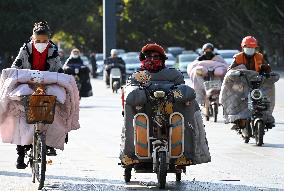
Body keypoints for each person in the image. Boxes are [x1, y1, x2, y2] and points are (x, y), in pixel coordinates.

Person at [120, 43, 211, 166]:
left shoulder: (174, 74)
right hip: (144, 112)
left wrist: (175, 95)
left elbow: (185, 90)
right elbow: (130, 94)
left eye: (156, 56)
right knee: (131, 110)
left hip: (170, 111)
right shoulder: (137, 76)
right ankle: (130, 155)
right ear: (143, 59)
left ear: (162, 59)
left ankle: (186, 155)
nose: (152, 59)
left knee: (189, 105)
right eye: (148, 56)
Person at [11, 21, 63, 169]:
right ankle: (20, 154)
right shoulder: (25, 49)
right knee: (21, 118)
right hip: (27, 85)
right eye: (38, 41)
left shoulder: (53, 50)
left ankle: (50, 143)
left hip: (47, 85)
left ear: (49, 40)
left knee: (56, 109)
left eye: (44, 41)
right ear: (33, 38)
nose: (41, 43)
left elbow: (59, 70)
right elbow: (16, 66)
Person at [222, 36, 275, 130]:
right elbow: (230, 70)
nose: (250, 50)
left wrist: (266, 69)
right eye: (248, 48)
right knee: (236, 98)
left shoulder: (260, 56)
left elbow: (267, 68)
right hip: (241, 83)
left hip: (257, 82)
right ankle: (235, 119)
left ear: (255, 48)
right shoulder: (238, 57)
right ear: (243, 47)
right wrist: (237, 72)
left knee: (266, 95)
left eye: (252, 48)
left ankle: (267, 117)